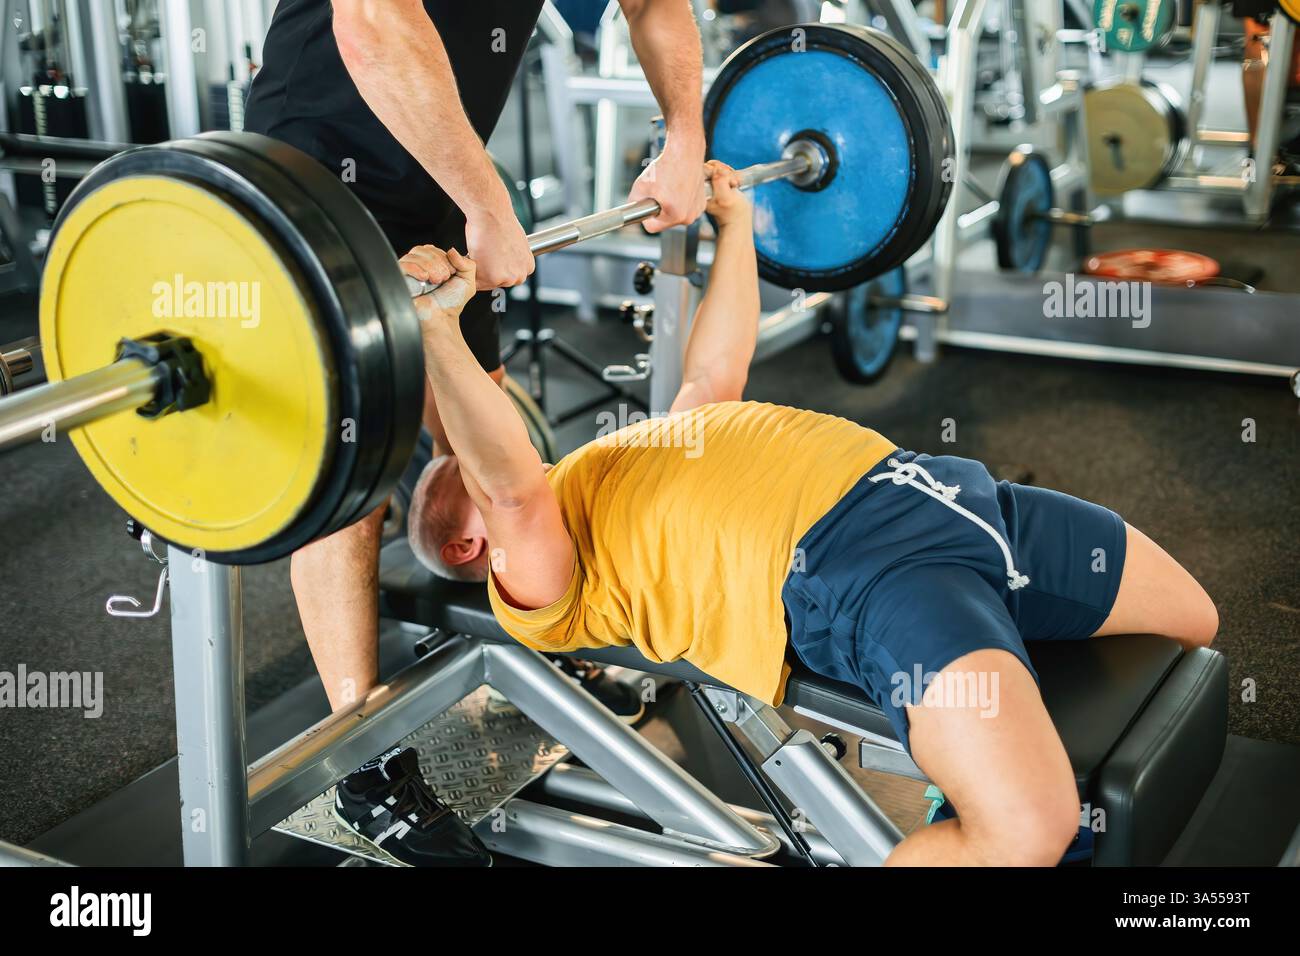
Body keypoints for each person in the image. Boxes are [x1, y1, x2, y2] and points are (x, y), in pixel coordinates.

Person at [406, 162, 1220, 866]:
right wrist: (435, 331)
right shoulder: (537, 588)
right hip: (866, 575)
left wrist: (735, 227)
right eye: (473, 484)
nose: (525, 463)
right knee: (1023, 830)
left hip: (945, 492)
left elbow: (715, 373)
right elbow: (510, 487)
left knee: (1189, 622)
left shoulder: (607, 460)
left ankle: (991, 771)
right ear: (472, 544)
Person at [244, 0, 709, 866]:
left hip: (438, 173)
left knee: (490, 446)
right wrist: (487, 201)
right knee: (352, 480)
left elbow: (654, 4)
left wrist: (684, 135)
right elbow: (372, 25)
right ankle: (361, 764)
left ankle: (534, 637)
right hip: (316, 179)